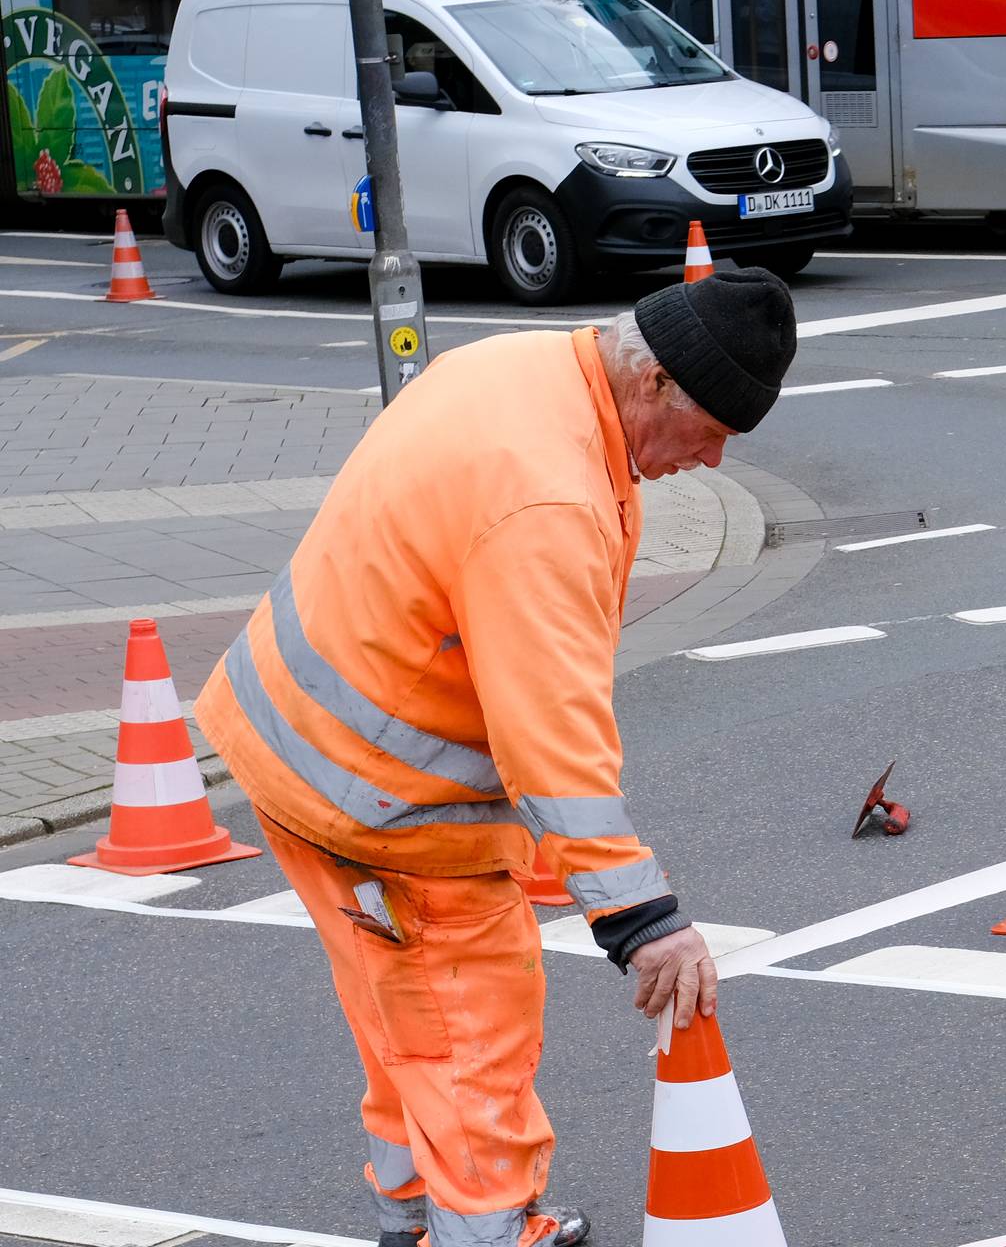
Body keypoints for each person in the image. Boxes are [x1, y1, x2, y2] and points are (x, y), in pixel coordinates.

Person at [192, 270, 798, 1247]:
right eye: (713, 428)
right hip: (391, 805)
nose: (714, 458)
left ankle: (410, 1222)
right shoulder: (547, 491)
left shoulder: (524, 371)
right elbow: (547, 729)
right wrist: (641, 918)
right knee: (474, 1038)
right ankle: (485, 1230)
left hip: (296, 750)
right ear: (654, 382)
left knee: (407, 1031)